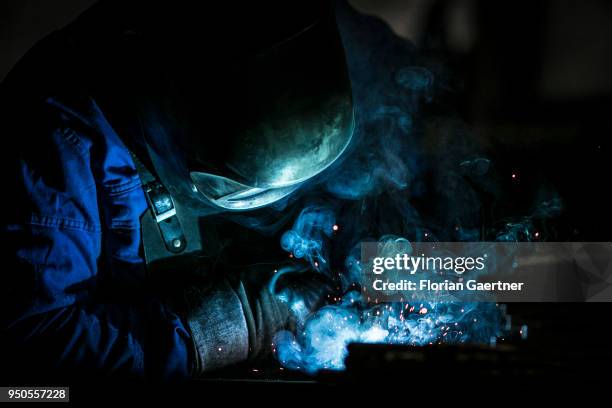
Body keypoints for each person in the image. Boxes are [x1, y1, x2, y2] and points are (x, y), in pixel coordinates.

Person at [0, 0, 354, 380]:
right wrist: (226, 326)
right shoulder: (51, 139)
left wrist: (393, 262)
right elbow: (33, 340)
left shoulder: (314, 36)